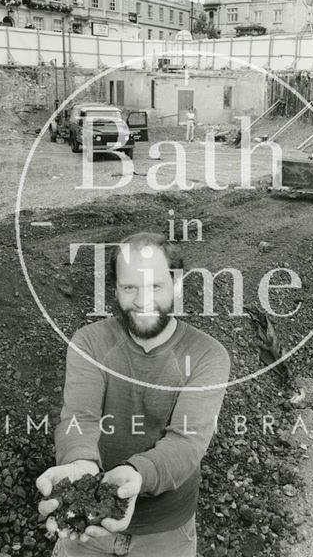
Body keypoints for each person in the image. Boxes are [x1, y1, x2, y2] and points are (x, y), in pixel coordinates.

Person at [37, 232, 230, 557]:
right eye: (130, 287)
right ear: (115, 289)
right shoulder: (89, 343)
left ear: (177, 285)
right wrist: (79, 464)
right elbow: (79, 419)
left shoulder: (207, 355)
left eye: (155, 286)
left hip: (166, 532)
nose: (142, 301)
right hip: (87, 527)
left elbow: (187, 441)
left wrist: (135, 475)